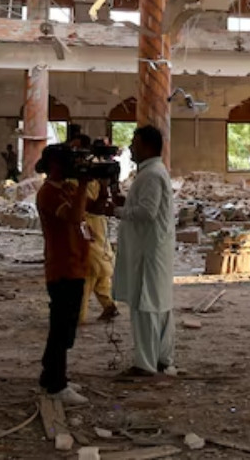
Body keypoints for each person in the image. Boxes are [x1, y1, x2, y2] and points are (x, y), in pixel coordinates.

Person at [108, 125, 175, 376]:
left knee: (146, 305)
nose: (131, 148)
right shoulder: (153, 172)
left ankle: (145, 364)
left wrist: (116, 211)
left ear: (146, 146)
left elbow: (147, 212)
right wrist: (126, 202)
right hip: (153, 248)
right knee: (159, 304)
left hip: (148, 250)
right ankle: (162, 358)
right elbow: (146, 205)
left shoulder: (151, 174)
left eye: (134, 144)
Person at [34, 144, 93, 404]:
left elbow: (93, 208)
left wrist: (102, 184)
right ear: (54, 165)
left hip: (76, 263)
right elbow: (75, 217)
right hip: (62, 267)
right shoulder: (48, 193)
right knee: (61, 328)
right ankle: (57, 384)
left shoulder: (67, 188)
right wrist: (83, 184)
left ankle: (50, 375)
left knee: (66, 326)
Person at [76, 137, 119, 325]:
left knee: (90, 270)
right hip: (89, 223)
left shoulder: (89, 175)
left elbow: (96, 206)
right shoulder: (77, 178)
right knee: (98, 267)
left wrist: (105, 187)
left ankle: (79, 316)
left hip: (93, 224)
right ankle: (108, 305)